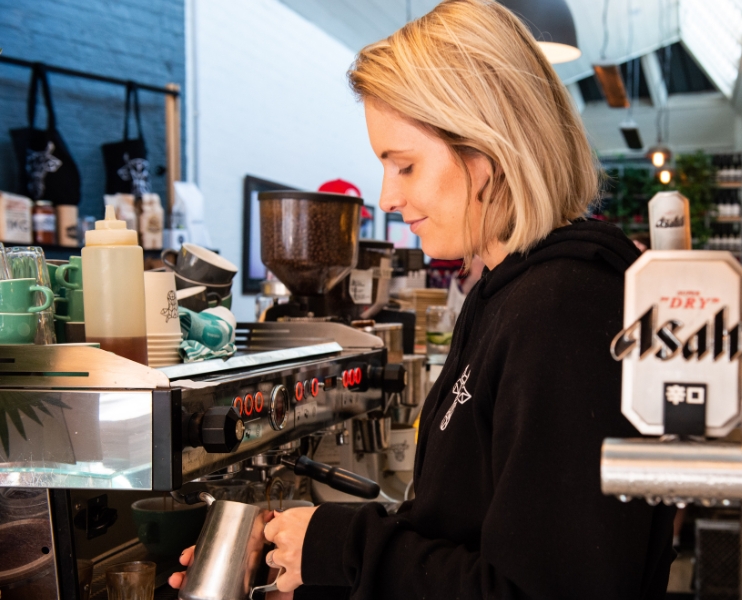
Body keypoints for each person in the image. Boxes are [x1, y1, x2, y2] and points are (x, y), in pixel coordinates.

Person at [170, 1, 675, 597]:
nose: (386, 196)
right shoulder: (503, 294)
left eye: (404, 166)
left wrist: (340, 550)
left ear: (483, 156)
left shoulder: (563, 310)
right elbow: (458, 535)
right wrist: (310, 567)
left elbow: (542, 590)